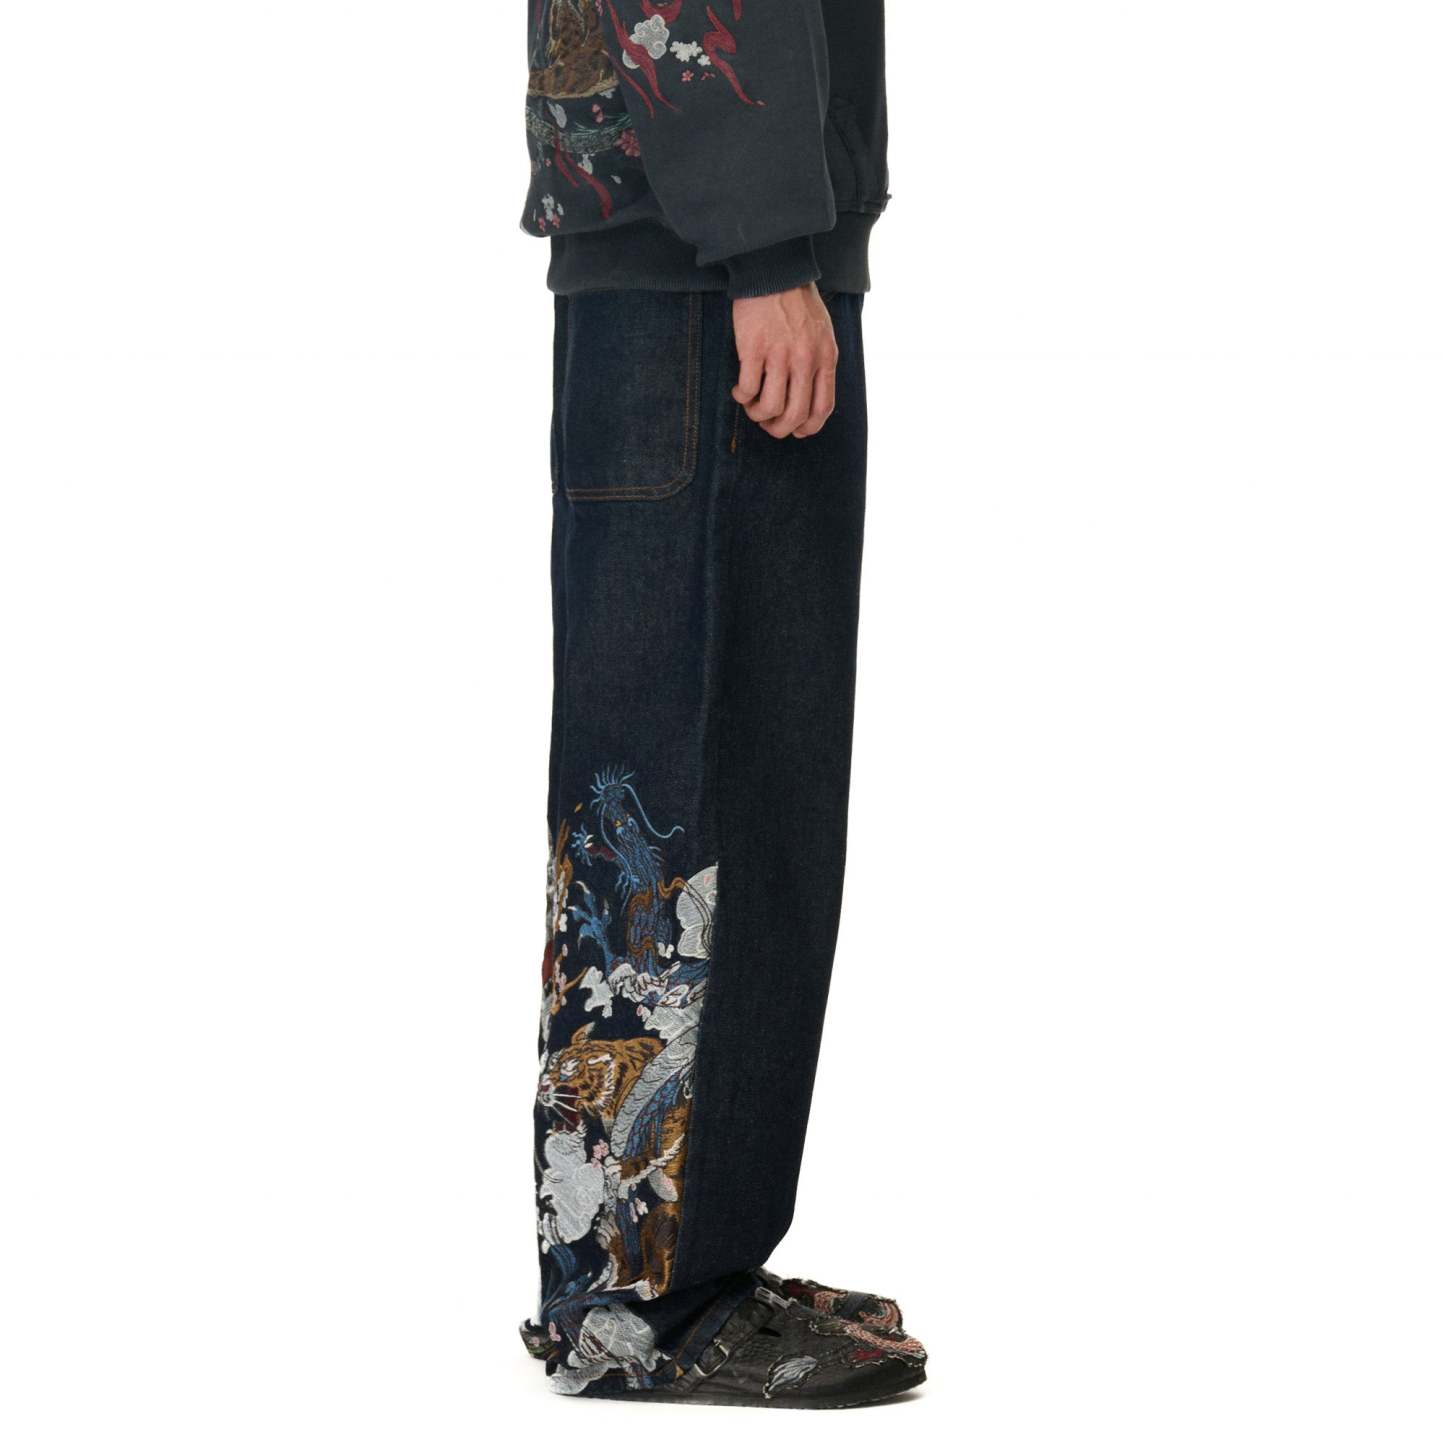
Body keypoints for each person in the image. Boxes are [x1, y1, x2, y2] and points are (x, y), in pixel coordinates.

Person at [519, 1, 925, 1407]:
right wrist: (762, 251)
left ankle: (691, 1266)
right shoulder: (738, 262)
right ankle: (640, 1301)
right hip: (706, 270)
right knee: (687, 783)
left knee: (741, 775)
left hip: (703, 254)